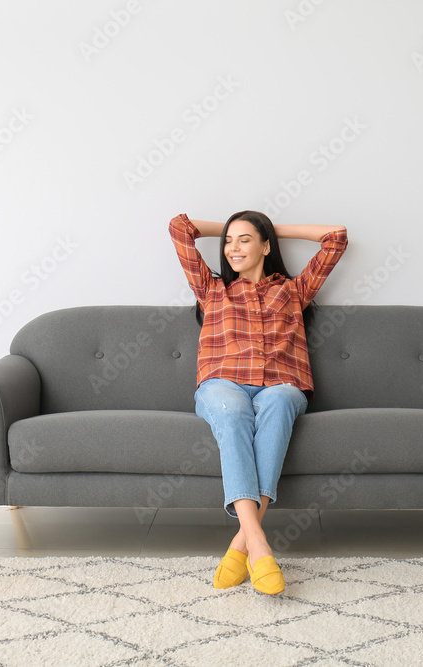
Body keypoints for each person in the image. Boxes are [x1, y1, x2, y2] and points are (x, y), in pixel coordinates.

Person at [168, 210, 348, 595]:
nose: (233, 248)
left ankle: (240, 545)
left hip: (280, 385)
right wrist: (240, 228)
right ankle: (259, 544)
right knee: (233, 413)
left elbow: (335, 237)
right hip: (222, 384)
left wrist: (268, 227)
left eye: (245, 240)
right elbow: (179, 228)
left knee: (282, 401)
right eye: (229, 241)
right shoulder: (211, 289)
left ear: (266, 247)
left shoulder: (294, 291)